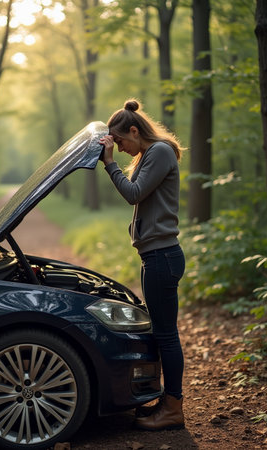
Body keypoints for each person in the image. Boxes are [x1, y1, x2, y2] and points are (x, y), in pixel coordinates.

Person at [99, 99, 186, 431]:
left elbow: (133, 193)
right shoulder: (151, 154)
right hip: (156, 256)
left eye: (120, 141)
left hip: (162, 256)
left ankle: (173, 408)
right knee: (161, 333)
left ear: (134, 131)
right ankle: (166, 401)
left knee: (166, 336)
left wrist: (109, 164)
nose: (120, 149)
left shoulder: (159, 152)